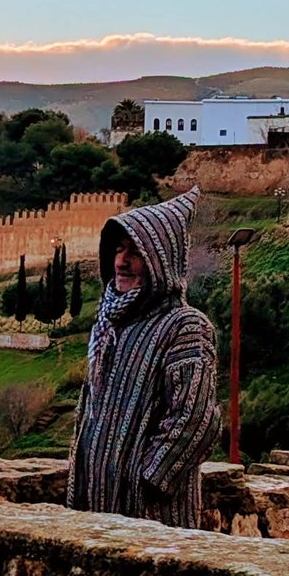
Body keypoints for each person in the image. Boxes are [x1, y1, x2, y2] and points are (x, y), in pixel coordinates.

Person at [66, 186, 220, 529]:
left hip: (153, 521)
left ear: (159, 258)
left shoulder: (184, 326)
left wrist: (146, 479)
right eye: (118, 250)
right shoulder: (108, 323)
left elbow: (196, 418)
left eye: (135, 252)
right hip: (94, 510)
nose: (122, 261)